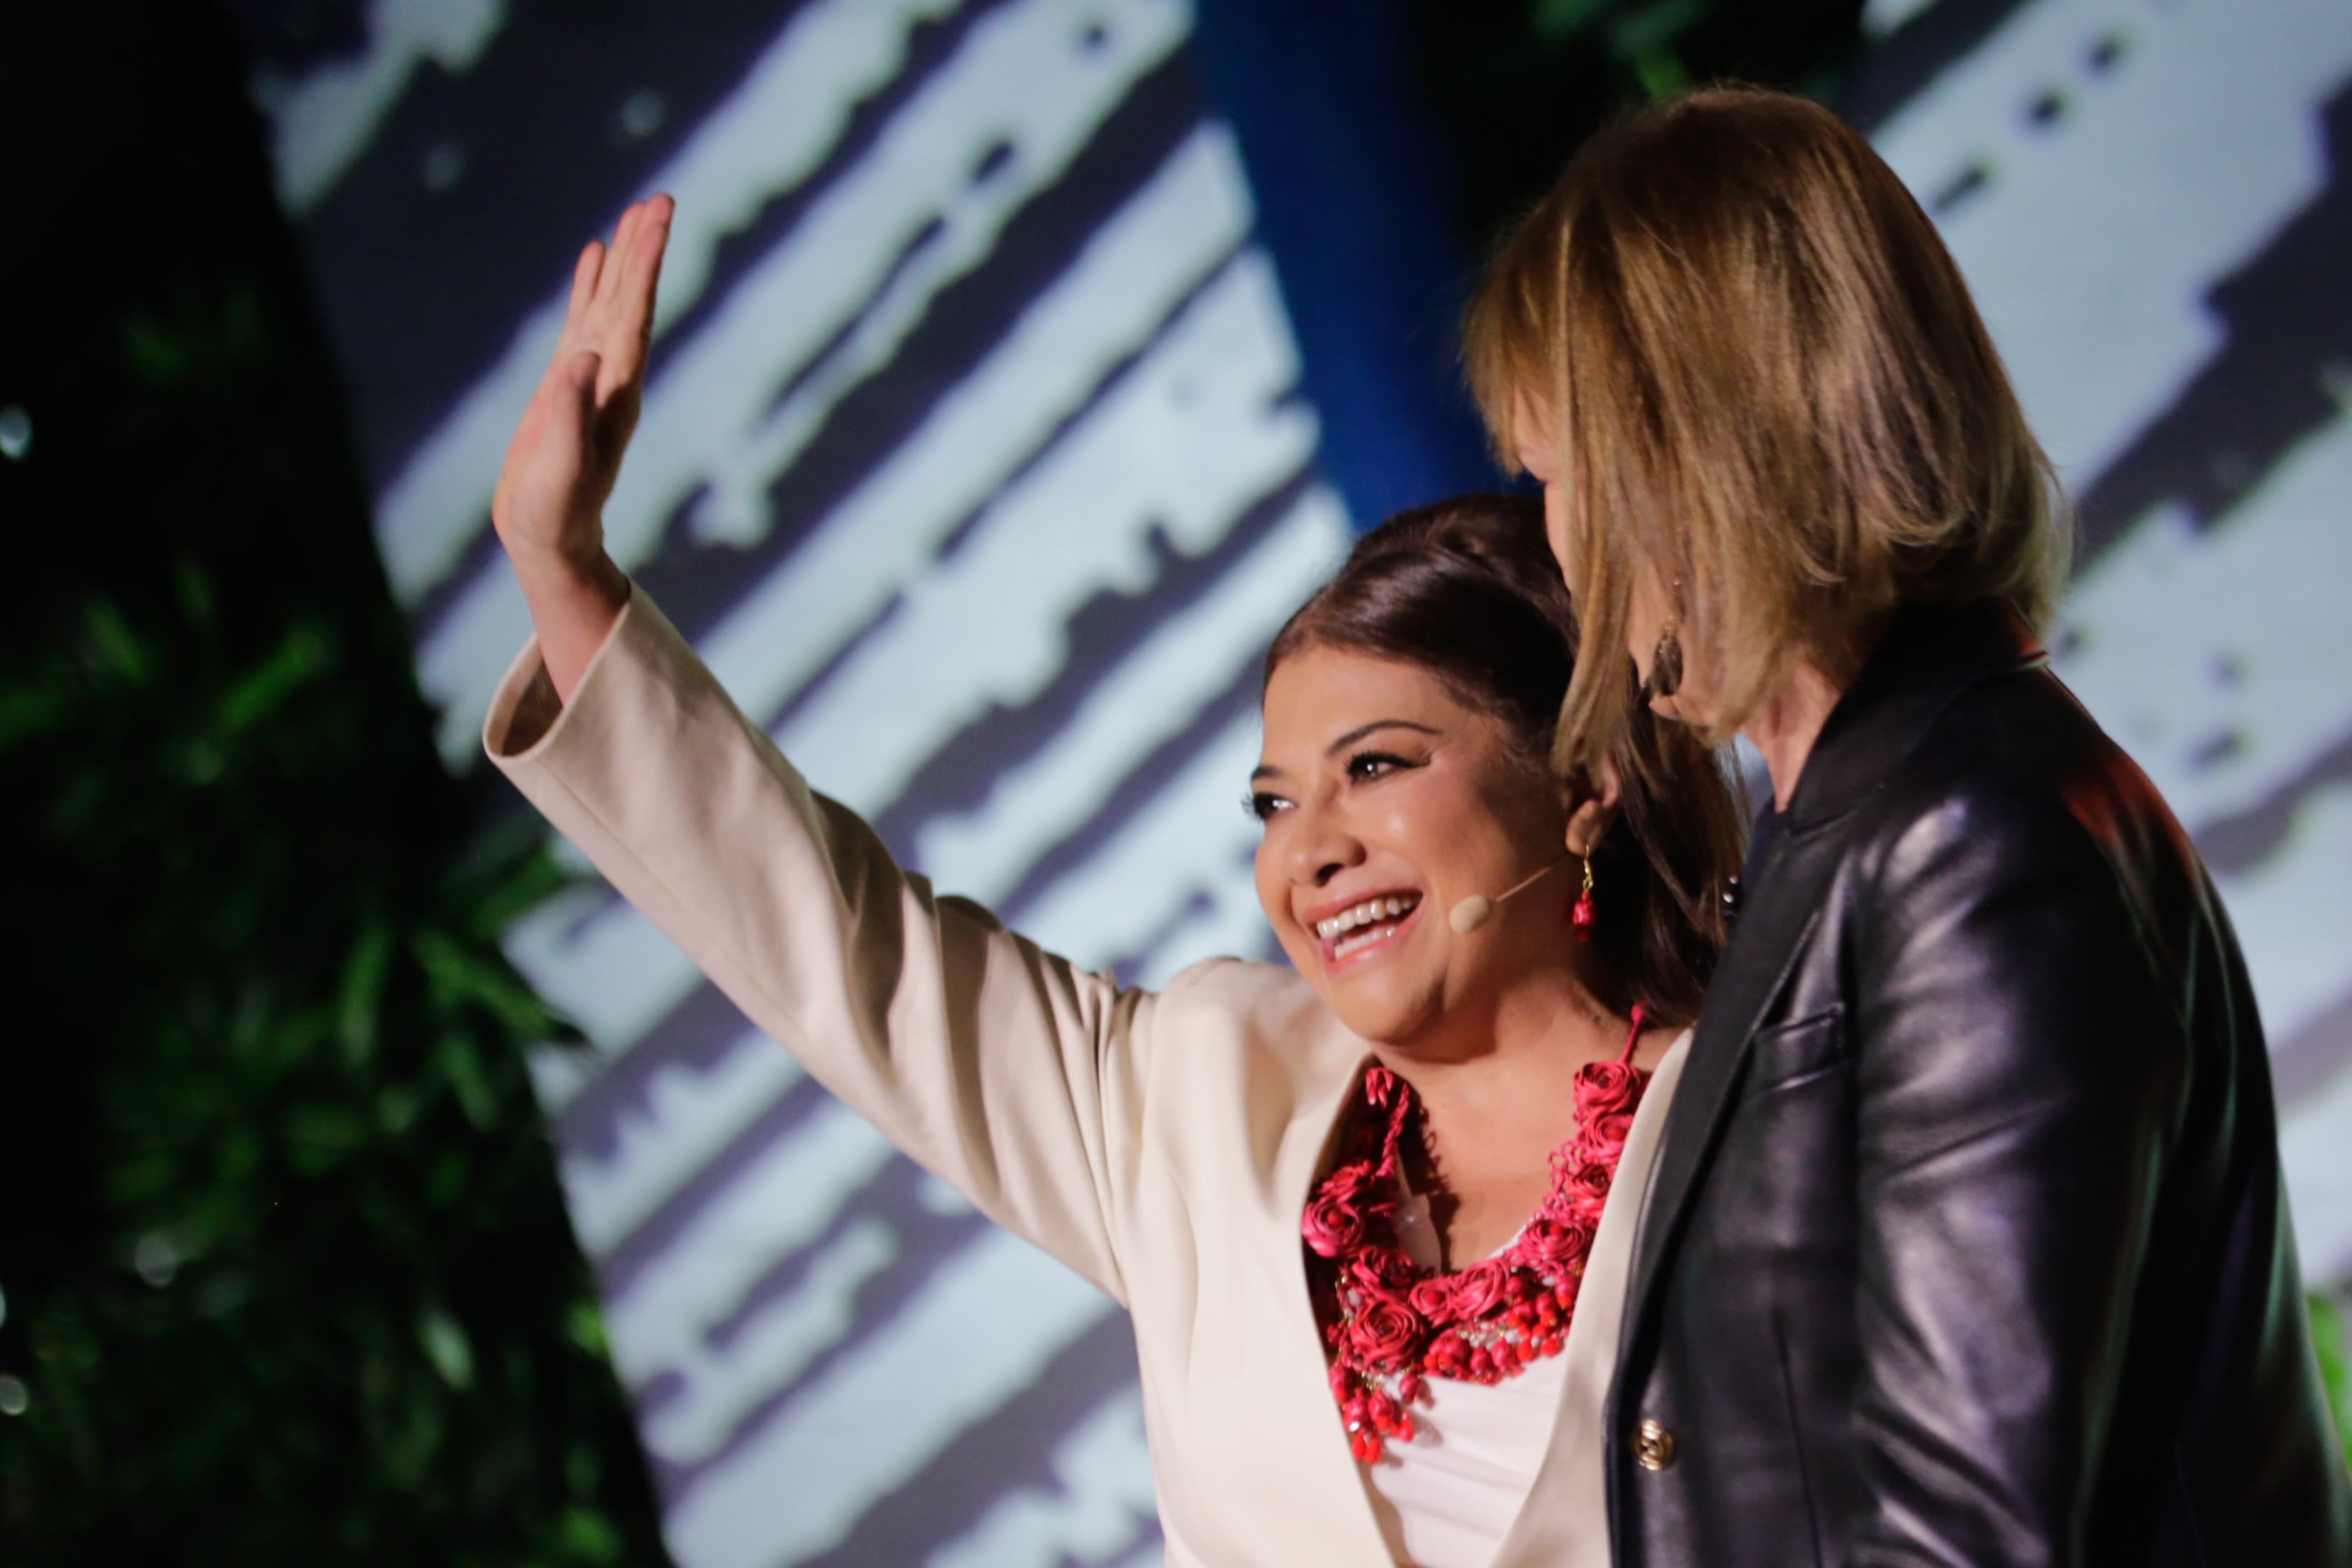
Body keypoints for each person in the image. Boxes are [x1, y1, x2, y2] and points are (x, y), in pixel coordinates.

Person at [480, 196, 1746, 1566]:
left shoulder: (1769, 1109)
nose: (1309, 849)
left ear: (1581, 781)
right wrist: (564, 574)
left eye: (1375, 767)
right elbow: (844, 952)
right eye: (1275, 802)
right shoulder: (1209, 1099)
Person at [1467, 85, 2352, 1567]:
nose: (1556, 540)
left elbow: (1968, 1535)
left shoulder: (1968, 845)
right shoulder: (1860, 823)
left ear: (1701, 456)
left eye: (1555, 475)